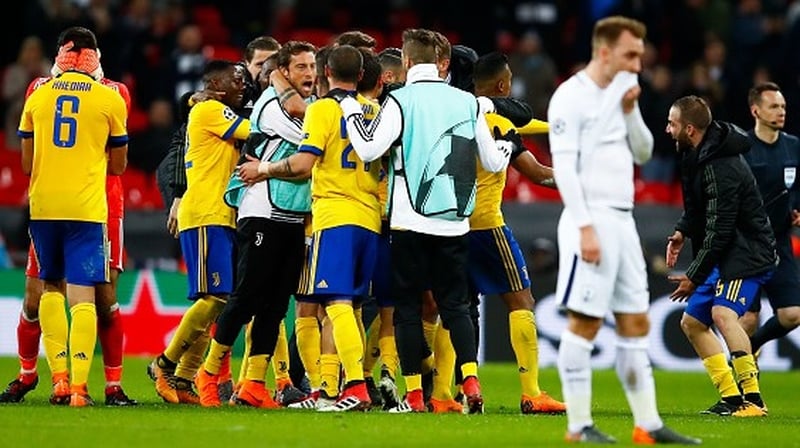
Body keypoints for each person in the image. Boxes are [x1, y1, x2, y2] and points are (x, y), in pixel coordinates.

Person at [336, 28, 516, 414]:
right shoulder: (468, 102)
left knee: (407, 309)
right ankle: (470, 380)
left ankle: (415, 395)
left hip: (408, 220)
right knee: (456, 305)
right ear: (442, 63)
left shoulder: (399, 100)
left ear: (405, 61)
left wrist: (350, 108)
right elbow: (493, 161)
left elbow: (369, 148)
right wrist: (507, 144)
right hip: (455, 221)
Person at [548, 16, 700, 444]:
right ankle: (578, 426)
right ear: (604, 52)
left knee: (635, 323)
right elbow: (564, 168)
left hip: (623, 220)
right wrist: (584, 228)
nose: (638, 63)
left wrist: (631, 112)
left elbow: (644, 151)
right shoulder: (570, 97)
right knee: (585, 324)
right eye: (631, 54)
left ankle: (647, 425)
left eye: (640, 54)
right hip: (590, 218)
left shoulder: (624, 91)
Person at [240, 44, 380, 412]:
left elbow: (303, 164)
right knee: (347, 305)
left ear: (325, 73)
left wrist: (263, 168)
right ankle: (327, 390)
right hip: (369, 216)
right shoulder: (374, 110)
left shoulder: (322, 109)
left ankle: (355, 388)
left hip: (334, 215)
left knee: (336, 303)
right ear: (361, 76)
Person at [0, 34, 137, 407]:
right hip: (84, 206)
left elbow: (29, 155)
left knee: (103, 297)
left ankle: (109, 385)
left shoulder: (46, 91)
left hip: (97, 204)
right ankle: (33, 375)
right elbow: (116, 158)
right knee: (39, 296)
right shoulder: (107, 95)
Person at [195, 41, 317, 408]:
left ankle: (253, 383)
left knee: (276, 305)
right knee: (246, 297)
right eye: (300, 67)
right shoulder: (269, 106)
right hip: (261, 211)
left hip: (292, 214)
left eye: (313, 66)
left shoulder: (310, 105)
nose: (309, 73)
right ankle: (208, 372)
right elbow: (312, 141)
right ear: (284, 72)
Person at [464, 51, 565, 415]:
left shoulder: (452, 116)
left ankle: (444, 392)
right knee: (521, 302)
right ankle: (531, 392)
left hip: (448, 226)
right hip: (487, 225)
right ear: (503, 86)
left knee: (454, 309)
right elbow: (538, 174)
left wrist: (551, 127)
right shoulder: (500, 123)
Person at [665, 95, 776, 418]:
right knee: (692, 323)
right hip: (726, 253)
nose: (667, 129)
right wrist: (682, 230)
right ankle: (731, 397)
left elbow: (720, 229)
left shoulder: (721, 165)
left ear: (689, 129)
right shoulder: (695, 154)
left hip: (746, 253)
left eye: (672, 123)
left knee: (723, 314)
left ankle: (754, 400)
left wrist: (693, 276)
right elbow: (698, 207)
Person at [148, 59, 249, 404]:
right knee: (215, 297)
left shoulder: (209, 108)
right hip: (207, 213)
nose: (242, 86)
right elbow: (255, 129)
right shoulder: (209, 110)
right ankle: (164, 364)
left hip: (221, 214)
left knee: (217, 304)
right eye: (236, 80)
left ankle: (182, 379)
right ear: (217, 86)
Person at [740, 82, 800, 352]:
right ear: (756, 111)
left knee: (793, 314)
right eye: (774, 106)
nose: (781, 111)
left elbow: (797, 188)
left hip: (779, 242)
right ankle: (741, 372)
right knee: (748, 318)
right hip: (746, 245)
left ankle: (753, 345)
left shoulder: (793, 146)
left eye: (783, 106)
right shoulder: (742, 148)